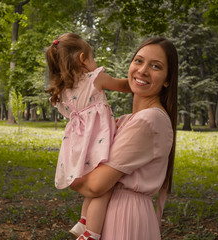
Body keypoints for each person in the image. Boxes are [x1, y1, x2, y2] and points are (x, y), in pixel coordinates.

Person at [70, 37, 178, 240]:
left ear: (167, 80)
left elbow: (96, 185)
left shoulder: (149, 120)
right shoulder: (128, 120)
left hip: (125, 218)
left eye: (155, 66)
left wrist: (71, 178)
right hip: (112, 213)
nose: (143, 70)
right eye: (138, 61)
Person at [45, 33, 131, 240]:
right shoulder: (95, 78)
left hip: (79, 146)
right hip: (97, 143)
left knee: (92, 188)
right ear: (82, 58)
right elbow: (124, 86)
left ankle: (83, 221)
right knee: (103, 190)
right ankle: (91, 234)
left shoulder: (63, 91)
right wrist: (140, 79)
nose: (95, 62)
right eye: (92, 57)